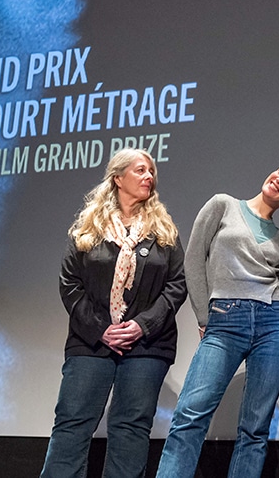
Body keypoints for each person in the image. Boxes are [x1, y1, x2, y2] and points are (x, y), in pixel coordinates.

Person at [155, 161, 279, 478]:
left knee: (255, 428)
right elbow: (194, 259)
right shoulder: (222, 205)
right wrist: (203, 315)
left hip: (273, 323)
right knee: (190, 414)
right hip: (225, 319)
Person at [40, 148, 186, 478]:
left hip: (148, 344)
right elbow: (70, 284)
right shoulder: (88, 229)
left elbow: (177, 284)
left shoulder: (163, 231)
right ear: (118, 178)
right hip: (91, 342)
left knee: (130, 427)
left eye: (152, 171)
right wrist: (101, 329)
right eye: (140, 170)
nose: (149, 176)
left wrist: (142, 325)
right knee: (72, 421)